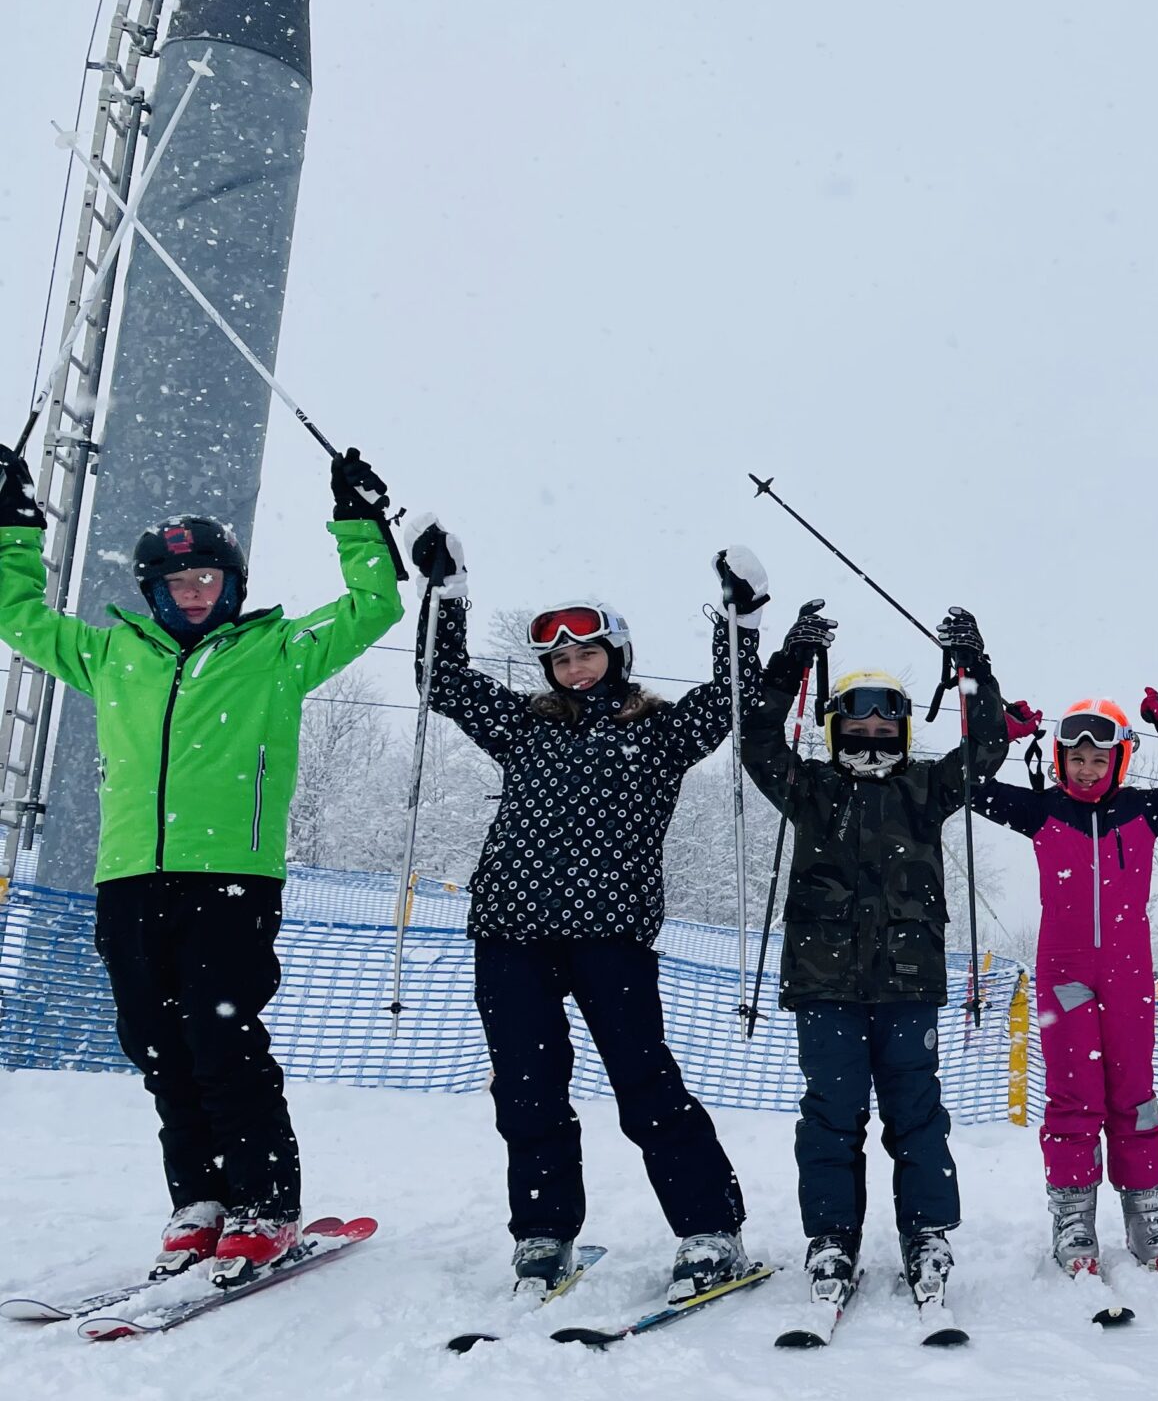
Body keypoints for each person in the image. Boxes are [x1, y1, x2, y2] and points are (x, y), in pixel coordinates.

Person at [0, 445, 402, 1283]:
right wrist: (13, 526)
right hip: (128, 880)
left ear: (233, 586)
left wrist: (359, 521)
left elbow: (373, 607)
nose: (195, 595)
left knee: (223, 1043)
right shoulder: (113, 656)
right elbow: (19, 617)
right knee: (156, 1046)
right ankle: (200, 1204)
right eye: (179, 584)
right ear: (152, 590)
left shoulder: (278, 652)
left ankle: (266, 1206)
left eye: (209, 581)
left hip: (230, 879)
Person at [410, 519, 762, 1303]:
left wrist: (741, 621)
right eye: (560, 658)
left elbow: (734, 696)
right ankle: (544, 1235)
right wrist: (447, 594)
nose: (573, 668)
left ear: (618, 655)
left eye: (587, 653)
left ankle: (709, 1229)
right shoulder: (524, 727)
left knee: (646, 1085)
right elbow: (441, 681)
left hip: (612, 933)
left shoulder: (661, 732)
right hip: (512, 930)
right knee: (528, 1089)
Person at [741, 599, 1007, 1321]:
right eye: (855, 726)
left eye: (884, 726)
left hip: (907, 985)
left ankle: (926, 1234)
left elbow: (987, 751)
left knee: (917, 1116)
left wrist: (974, 671)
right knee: (831, 1115)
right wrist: (791, 660)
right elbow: (758, 740)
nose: (870, 737)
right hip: (824, 985)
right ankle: (832, 1236)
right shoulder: (811, 790)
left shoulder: (923, 791)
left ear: (903, 729)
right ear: (834, 730)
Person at [971, 689, 1158, 1278]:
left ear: (1118, 763)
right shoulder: (1042, 810)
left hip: (1128, 970)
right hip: (1063, 971)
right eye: (1076, 759)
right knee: (1072, 1094)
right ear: (1059, 761)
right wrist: (1000, 735)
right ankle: (1073, 1216)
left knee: (1134, 1094)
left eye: (1098, 761)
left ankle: (1146, 1214)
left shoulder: (1141, 811)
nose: (1086, 771)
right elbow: (966, 785)